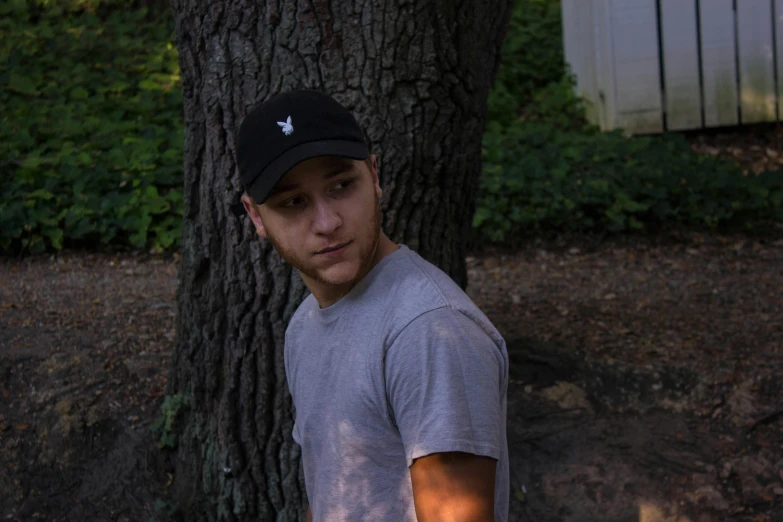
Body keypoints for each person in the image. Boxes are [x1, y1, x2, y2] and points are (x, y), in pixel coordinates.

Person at [235, 89, 509, 522]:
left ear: (375, 176)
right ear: (256, 217)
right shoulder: (303, 327)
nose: (327, 223)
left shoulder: (428, 332)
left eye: (341, 186)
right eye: (294, 202)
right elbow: (333, 495)